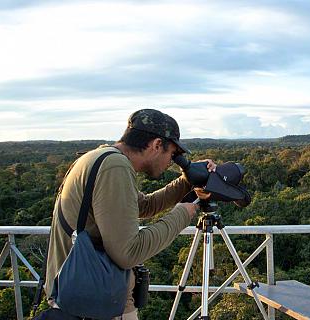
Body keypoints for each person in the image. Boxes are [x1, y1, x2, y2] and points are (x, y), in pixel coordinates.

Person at [44, 109, 214, 319]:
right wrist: (184, 212)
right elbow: (128, 253)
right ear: (156, 145)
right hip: (95, 301)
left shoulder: (101, 157)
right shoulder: (115, 166)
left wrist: (187, 181)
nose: (172, 161)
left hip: (80, 291)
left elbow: (144, 206)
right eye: (172, 154)